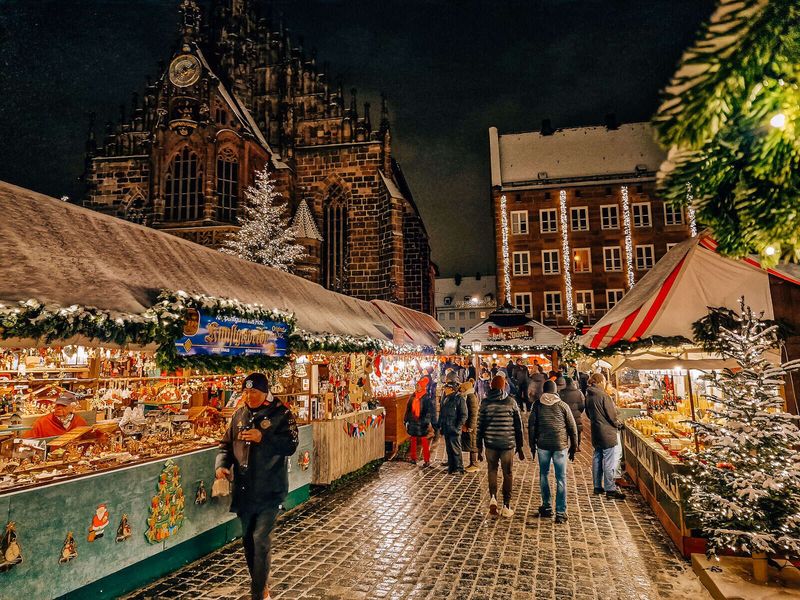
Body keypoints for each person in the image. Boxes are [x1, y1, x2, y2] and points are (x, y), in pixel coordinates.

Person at [215, 373, 299, 600]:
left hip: (270, 490)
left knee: (261, 539)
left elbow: (291, 445)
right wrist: (222, 466)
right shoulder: (239, 415)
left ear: (265, 392)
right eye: (247, 392)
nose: (249, 396)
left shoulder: (281, 414)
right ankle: (261, 587)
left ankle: (257, 595)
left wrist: (263, 438)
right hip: (244, 490)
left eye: (254, 392)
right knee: (248, 541)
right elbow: (225, 446)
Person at [530, 380, 578, 523]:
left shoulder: (537, 405)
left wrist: (532, 445)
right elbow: (572, 427)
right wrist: (574, 446)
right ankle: (561, 512)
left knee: (544, 475)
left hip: (543, 445)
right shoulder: (563, 406)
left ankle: (546, 506)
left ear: (544, 391)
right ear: (555, 390)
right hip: (560, 445)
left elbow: (532, 426)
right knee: (561, 478)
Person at [477, 375, 524, 518]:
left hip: (490, 443)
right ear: (504, 386)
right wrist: (520, 446)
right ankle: (506, 505)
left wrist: (479, 447)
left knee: (492, 470)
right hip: (507, 444)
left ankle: (493, 498)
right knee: (507, 473)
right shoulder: (511, 402)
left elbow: (479, 427)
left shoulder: (485, 403)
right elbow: (518, 426)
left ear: (491, 386)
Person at [585, 372, 626, 500]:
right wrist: (618, 424)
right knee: (609, 460)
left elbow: (587, 413)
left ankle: (597, 486)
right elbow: (612, 415)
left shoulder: (588, 395)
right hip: (607, 432)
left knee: (597, 457)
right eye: (603, 380)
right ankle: (610, 489)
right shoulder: (603, 396)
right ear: (600, 381)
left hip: (596, 430)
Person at [437, 373, 467, 474]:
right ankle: (452, 466)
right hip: (446, 427)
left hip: (454, 428)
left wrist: (457, 427)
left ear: (451, 389)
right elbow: (442, 413)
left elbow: (463, 415)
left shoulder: (459, 398)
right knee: (449, 449)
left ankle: (459, 468)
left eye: (446, 388)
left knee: (455, 449)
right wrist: (440, 425)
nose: (444, 390)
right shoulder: (445, 398)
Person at [404, 374, 434, 467]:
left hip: (421, 422)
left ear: (423, 387)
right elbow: (408, 409)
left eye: (418, 386)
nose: (417, 387)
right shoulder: (413, 396)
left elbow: (428, 411)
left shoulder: (426, 398)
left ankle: (426, 460)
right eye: (416, 386)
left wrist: (425, 421)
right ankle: (413, 458)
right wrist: (406, 420)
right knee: (413, 440)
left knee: (424, 441)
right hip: (413, 421)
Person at [459, 379, 480, 472]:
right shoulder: (468, 396)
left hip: (472, 426)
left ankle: (474, 464)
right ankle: (472, 463)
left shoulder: (471, 397)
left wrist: (471, 426)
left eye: (462, 389)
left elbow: (473, 413)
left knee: (473, 444)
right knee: (471, 443)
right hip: (470, 425)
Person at [559, 376, 586, 447]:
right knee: (577, 430)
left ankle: (566, 445)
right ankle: (577, 445)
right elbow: (582, 405)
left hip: (565, 415)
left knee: (566, 430)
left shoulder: (561, 393)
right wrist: (579, 412)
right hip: (576, 415)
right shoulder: (579, 392)